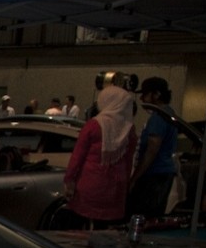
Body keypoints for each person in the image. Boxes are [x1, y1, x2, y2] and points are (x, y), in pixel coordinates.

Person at [62, 82, 139, 227]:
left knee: (84, 228)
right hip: (116, 188)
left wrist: (69, 180)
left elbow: (77, 157)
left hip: (91, 184)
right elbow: (128, 161)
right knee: (106, 229)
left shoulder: (94, 125)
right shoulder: (129, 129)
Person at [130, 77, 179, 217]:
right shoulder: (169, 113)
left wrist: (135, 177)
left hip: (155, 174)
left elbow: (152, 149)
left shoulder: (159, 117)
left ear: (156, 94)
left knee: (143, 214)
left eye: (145, 94)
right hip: (163, 172)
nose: (142, 99)